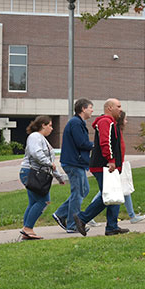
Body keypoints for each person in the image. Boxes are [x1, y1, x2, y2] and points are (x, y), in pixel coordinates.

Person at [73, 98, 129, 236]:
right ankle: (82, 218)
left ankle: (112, 226)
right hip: (104, 165)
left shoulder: (111, 122)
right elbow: (105, 142)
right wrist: (111, 160)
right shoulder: (105, 122)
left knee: (114, 195)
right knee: (108, 196)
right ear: (109, 108)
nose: (120, 109)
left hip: (110, 166)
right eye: (118, 106)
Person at [52, 98, 94, 233]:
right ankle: (72, 224)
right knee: (78, 193)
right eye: (90, 107)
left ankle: (60, 213)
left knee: (84, 190)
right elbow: (81, 143)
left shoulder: (78, 123)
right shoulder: (76, 123)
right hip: (73, 163)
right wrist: (96, 145)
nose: (92, 110)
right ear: (83, 109)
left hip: (76, 163)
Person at [19, 116, 64, 240]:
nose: (52, 128)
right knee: (43, 201)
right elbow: (36, 153)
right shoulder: (35, 137)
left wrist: (59, 177)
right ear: (43, 125)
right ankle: (28, 229)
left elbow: (51, 163)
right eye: (49, 125)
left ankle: (26, 230)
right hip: (31, 173)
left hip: (36, 174)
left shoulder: (42, 139)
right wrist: (49, 164)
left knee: (34, 202)